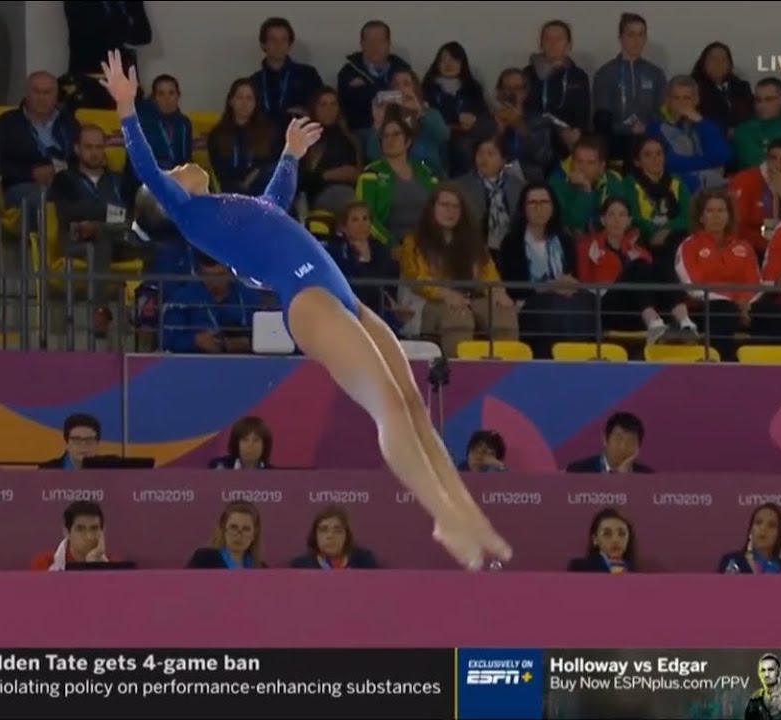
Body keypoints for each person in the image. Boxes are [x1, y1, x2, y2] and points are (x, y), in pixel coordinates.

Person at [100, 50, 508, 570]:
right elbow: (145, 168)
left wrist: (290, 156)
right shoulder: (187, 214)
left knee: (410, 397)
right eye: (174, 171)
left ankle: (463, 511)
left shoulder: (222, 208)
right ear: (164, 201)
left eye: (175, 166)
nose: (179, 167)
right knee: (386, 401)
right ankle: (443, 516)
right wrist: (127, 110)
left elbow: (273, 207)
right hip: (309, 300)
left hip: (336, 291)